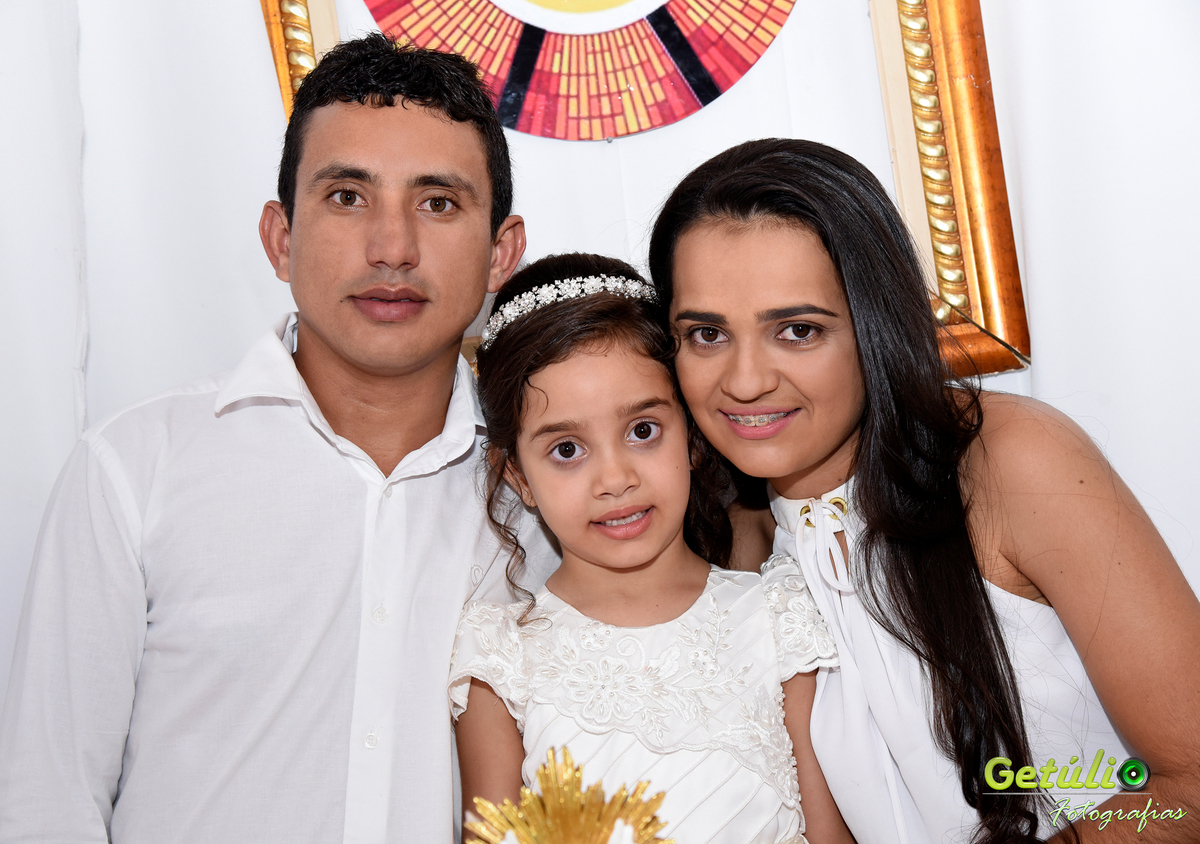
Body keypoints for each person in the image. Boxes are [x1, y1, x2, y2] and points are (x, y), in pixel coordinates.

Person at [0, 34, 556, 843]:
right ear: (281, 238)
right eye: (347, 197)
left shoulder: (555, 497)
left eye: (438, 202)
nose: (392, 248)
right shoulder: (134, 470)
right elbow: (48, 802)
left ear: (501, 252)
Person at [646, 138, 1200, 843]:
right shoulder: (726, 554)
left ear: (877, 324)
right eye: (706, 334)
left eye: (798, 330)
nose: (746, 380)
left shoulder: (1006, 463)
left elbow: (1190, 784)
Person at [447, 252, 855, 844]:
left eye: (642, 431)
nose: (615, 479)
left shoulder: (777, 616)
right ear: (518, 477)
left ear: (690, 434)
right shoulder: (501, 657)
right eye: (567, 450)